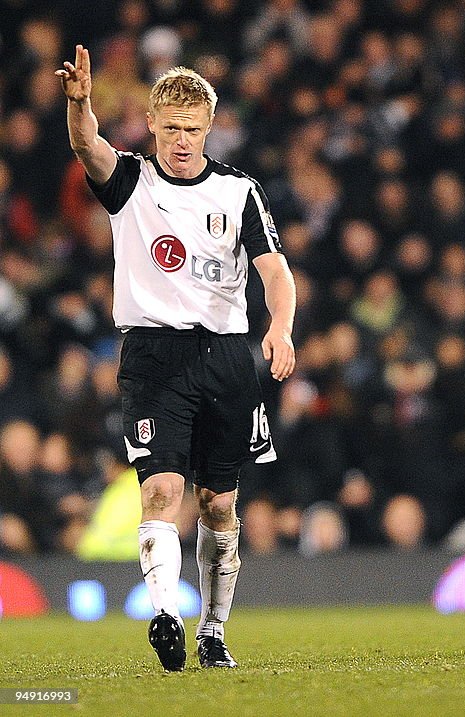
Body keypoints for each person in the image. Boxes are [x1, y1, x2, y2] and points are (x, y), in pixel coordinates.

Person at [58, 45, 297, 669]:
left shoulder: (238, 192)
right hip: (154, 356)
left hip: (225, 356)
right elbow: (89, 147)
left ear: (209, 127)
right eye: (170, 129)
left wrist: (281, 329)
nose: (181, 141)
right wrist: (80, 104)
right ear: (153, 126)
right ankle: (166, 613)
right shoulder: (132, 182)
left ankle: (213, 632)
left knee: (220, 502)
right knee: (162, 489)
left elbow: (275, 270)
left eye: (192, 129)